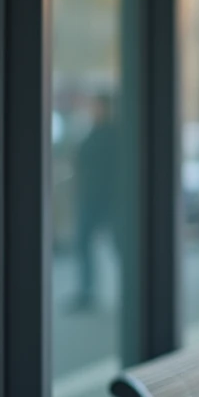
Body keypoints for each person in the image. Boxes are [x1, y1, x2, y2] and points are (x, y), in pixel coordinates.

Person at [73, 93, 117, 312]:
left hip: (111, 201)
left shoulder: (113, 134)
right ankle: (87, 291)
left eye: (98, 106)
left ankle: (132, 291)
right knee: (83, 243)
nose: (95, 111)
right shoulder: (93, 132)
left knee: (121, 247)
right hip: (91, 200)